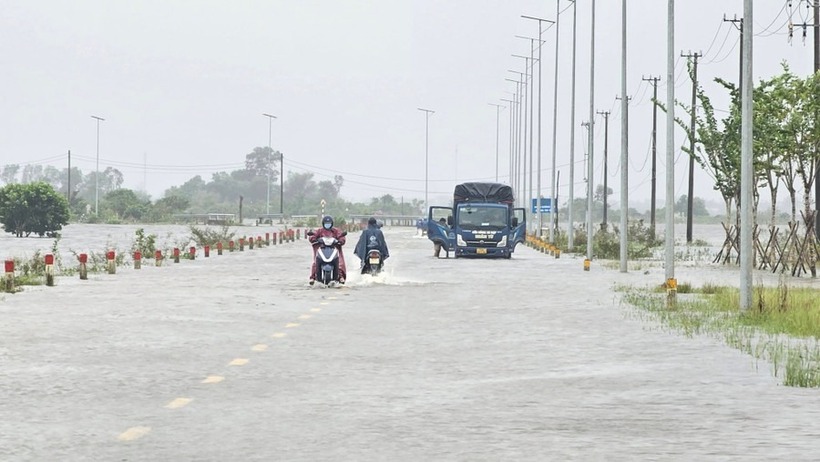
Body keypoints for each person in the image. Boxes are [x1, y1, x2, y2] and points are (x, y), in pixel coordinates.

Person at [309, 215, 347, 285]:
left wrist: (341, 240)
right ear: (323, 224)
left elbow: (341, 236)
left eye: (329, 223)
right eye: (326, 223)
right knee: (315, 262)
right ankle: (313, 277)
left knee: (340, 262)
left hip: (333, 250)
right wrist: (313, 238)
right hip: (322, 250)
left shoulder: (335, 231)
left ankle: (340, 277)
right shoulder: (319, 231)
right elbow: (313, 235)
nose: (327, 225)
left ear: (332, 224)